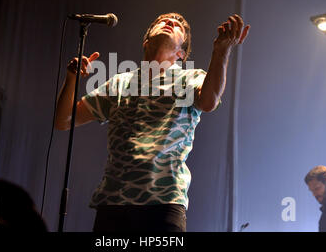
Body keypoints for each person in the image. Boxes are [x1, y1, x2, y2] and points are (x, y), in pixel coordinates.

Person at [55, 12, 250, 232]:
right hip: (113, 204)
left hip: (163, 204)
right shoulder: (119, 83)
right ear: (146, 41)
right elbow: (64, 120)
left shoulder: (188, 78)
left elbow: (208, 101)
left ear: (181, 53)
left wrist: (221, 50)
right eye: (162, 21)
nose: (169, 23)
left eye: (177, 26)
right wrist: (72, 77)